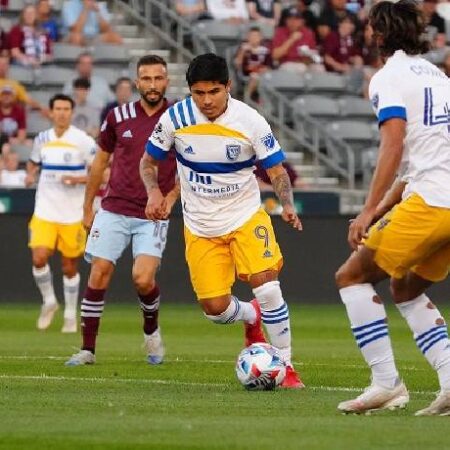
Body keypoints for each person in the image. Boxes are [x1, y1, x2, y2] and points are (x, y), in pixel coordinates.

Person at [140, 53, 304, 388]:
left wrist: (287, 204)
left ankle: (285, 366)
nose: (206, 100)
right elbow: (148, 162)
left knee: (268, 286)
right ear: (189, 91)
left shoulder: (250, 121)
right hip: (200, 226)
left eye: (214, 91)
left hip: (245, 215)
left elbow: (276, 170)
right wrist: (154, 192)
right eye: (199, 93)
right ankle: (251, 316)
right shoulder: (175, 119)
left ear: (228, 86)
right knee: (215, 309)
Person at [335, 0, 450, 415]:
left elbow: (394, 144)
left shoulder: (389, 78)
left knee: (351, 276)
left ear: (379, 34)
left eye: (370, 29)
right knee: (406, 288)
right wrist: (382, 208)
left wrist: (367, 212)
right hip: (443, 201)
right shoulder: (438, 76)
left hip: (431, 201)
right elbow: (420, 160)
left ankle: (387, 383)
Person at [65, 55, 179, 366]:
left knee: (142, 279)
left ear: (166, 81)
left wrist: (169, 199)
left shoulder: (179, 117)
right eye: (146, 78)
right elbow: (100, 163)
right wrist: (88, 206)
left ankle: (151, 332)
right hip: (113, 208)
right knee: (99, 272)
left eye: (158, 78)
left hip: (152, 214)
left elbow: (189, 166)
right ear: (136, 82)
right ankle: (87, 349)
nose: (152, 84)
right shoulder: (118, 116)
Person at [26, 94, 96, 333]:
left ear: (72, 112)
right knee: (38, 258)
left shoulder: (83, 140)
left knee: (69, 267)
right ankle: (49, 301)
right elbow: (34, 162)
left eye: (67, 108)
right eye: (58, 108)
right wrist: (30, 174)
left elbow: (101, 173)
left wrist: (78, 178)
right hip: (45, 210)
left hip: (72, 214)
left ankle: (69, 313)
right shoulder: (42, 139)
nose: (62, 113)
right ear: (51, 112)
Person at [271, 8, 322, 73]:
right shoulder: (280, 31)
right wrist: (291, 40)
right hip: (286, 64)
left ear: (302, 21)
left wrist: (310, 57)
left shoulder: (308, 32)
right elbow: (275, 55)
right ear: (285, 21)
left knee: (319, 68)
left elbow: (314, 55)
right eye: (290, 19)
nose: (293, 22)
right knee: (300, 68)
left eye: (296, 19)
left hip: (305, 63)